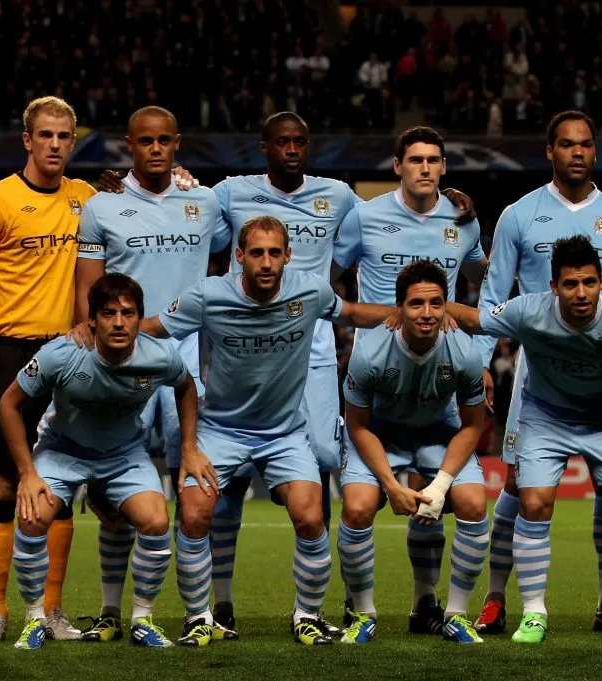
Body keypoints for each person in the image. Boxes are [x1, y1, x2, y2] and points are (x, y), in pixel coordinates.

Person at [204, 113, 477, 634]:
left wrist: (454, 199)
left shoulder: (343, 198)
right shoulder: (231, 191)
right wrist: (171, 181)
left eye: (299, 141)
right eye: (281, 141)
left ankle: (316, 605)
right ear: (263, 147)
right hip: (252, 344)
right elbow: (188, 210)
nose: (290, 149)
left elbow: (418, 211)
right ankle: (221, 602)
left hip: (318, 352)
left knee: (325, 466)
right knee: (229, 479)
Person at [139, 215, 395, 646]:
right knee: (196, 513)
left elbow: (351, 313)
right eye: (256, 252)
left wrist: (406, 313)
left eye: (275, 253)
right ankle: (199, 617)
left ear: (288, 256)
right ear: (239, 256)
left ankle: (307, 616)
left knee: (311, 517)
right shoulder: (208, 295)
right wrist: (93, 334)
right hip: (219, 428)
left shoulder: (310, 291)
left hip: (284, 433)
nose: (266, 262)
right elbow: (153, 329)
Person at [471, 110, 602, 636]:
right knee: (518, 489)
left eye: (586, 144)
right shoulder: (519, 216)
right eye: (567, 144)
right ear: (550, 151)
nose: (577, 152)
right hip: (537, 378)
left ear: (595, 151)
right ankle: (498, 596)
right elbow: (491, 294)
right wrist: (481, 363)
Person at [446, 235, 602, 645]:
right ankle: (534, 613)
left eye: (589, 283)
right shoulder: (528, 311)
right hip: (545, 419)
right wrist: (429, 305)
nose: (581, 293)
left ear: (601, 281)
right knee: (534, 501)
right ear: (553, 286)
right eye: (570, 284)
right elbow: (475, 320)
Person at [72, 106, 234, 645]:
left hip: (190, 360)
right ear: (130, 146)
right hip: (123, 357)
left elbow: (254, 228)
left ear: (178, 143)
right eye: (146, 141)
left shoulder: (205, 201)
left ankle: (198, 616)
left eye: (166, 140)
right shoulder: (103, 206)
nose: (157, 149)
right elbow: (89, 288)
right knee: (119, 496)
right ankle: (111, 613)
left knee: (194, 492)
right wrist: (90, 337)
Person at [0, 96, 96, 643]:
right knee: (3, 482)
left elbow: (142, 199)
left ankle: (52, 612)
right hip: (5, 353)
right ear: (27, 140)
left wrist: (177, 178)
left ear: (72, 142)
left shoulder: (88, 198)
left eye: (64, 136)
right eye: (46, 135)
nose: (55, 144)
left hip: (67, 355)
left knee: (60, 484)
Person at [333, 125, 488, 634]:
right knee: (361, 504)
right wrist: (380, 317)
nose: (425, 167)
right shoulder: (365, 215)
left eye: (435, 160)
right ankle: (363, 609)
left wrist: (474, 344)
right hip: (381, 366)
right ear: (397, 165)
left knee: (446, 498)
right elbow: (332, 277)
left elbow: (480, 277)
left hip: (438, 370)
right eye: (415, 159)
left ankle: (431, 606)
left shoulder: (462, 219)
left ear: (444, 167)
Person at [1, 274, 200, 649]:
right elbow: (8, 404)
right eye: (109, 313)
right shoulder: (61, 353)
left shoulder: (159, 355)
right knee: (31, 518)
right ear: (91, 319)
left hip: (125, 455)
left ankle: (143, 619)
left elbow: (186, 386)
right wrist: (27, 472)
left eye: (128, 313)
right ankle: (34, 620)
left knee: (157, 523)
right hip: (63, 451)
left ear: (141, 319)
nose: (120, 322)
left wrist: (189, 446)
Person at [338, 261, 488, 644]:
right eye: (416, 304)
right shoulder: (369, 350)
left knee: (472, 501)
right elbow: (357, 424)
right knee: (356, 506)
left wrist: (439, 486)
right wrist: (390, 485)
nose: (427, 314)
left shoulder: (465, 352)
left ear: (447, 306)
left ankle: (455, 614)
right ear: (399, 307)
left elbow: (472, 425)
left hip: (439, 434)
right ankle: (363, 613)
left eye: (436, 304)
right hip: (380, 436)